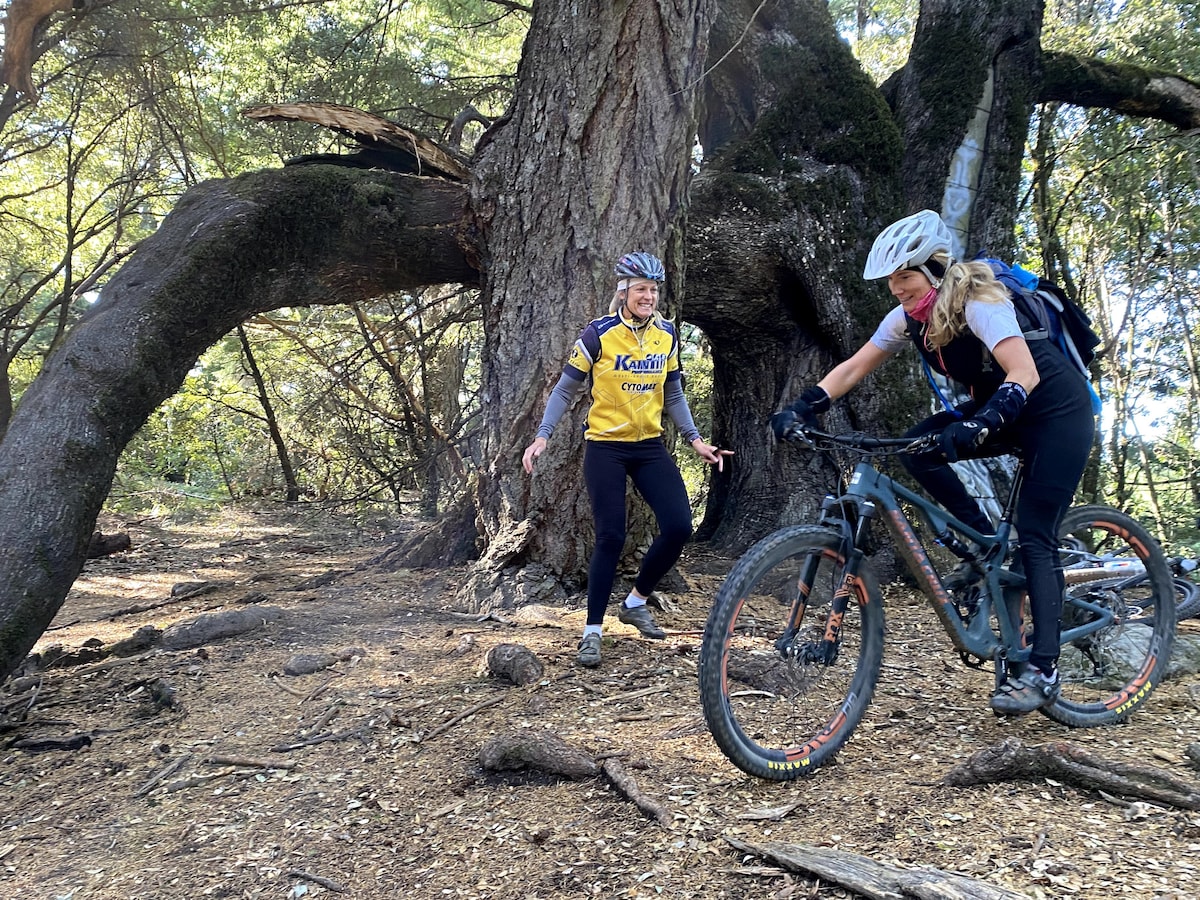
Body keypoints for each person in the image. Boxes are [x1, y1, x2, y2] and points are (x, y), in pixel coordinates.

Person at [771, 210, 1095, 715]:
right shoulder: (909, 318)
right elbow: (855, 366)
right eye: (891, 279)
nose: (896, 287)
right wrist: (804, 405)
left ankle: (1043, 669)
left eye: (905, 275)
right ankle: (983, 542)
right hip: (999, 410)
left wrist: (983, 422)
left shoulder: (981, 302)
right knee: (915, 447)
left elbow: (1024, 372)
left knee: (1037, 533)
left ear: (936, 270)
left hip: (1055, 412)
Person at [523, 251, 732, 668]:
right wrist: (542, 435)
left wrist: (695, 440)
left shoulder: (666, 335)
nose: (648, 297)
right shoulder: (598, 335)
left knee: (678, 526)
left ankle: (635, 602)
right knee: (611, 537)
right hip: (606, 447)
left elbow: (673, 393)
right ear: (623, 293)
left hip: (649, 446)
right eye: (641, 290)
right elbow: (564, 390)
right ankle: (592, 632)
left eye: (653, 290)